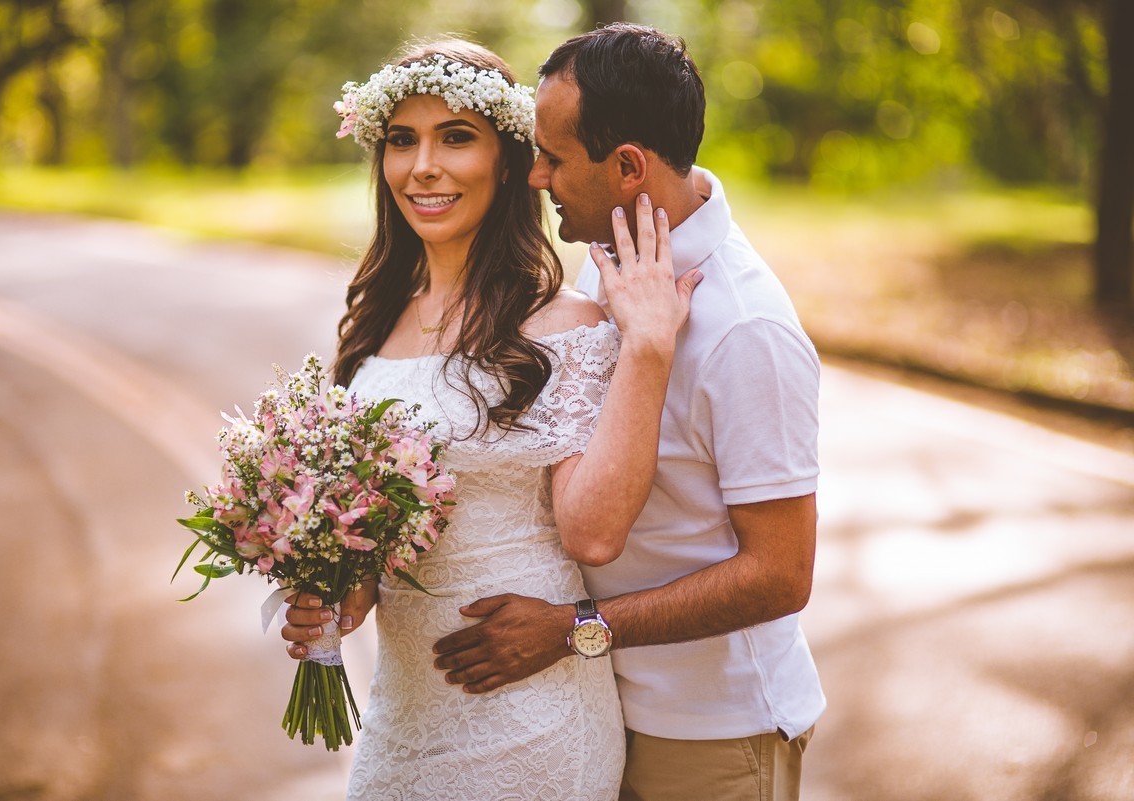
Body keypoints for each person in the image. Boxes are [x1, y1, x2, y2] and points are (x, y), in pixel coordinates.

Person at [291, 38, 701, 801]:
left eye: (455, 138)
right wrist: (336, 594)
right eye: (402, 140)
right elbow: (376, 554)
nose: (423, 167)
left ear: (509, 161)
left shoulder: (565, 325)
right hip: (404, 714)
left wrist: (647, 347)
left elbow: (595, 534)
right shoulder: (374, 324)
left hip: (532, 716)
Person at [423, 25, 826, 800]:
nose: (535, 175)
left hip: (712, 734)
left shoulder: (747, 330)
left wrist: (575, 627)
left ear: (629, 166)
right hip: (600, 711)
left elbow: (781, 573)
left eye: (554, 157)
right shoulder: (609, 249)